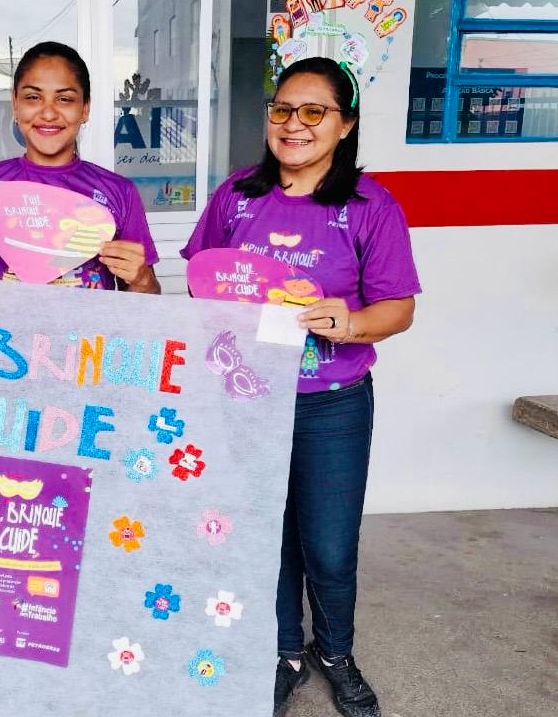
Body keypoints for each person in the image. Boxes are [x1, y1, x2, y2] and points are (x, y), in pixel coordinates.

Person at [180, 57, 420, 717]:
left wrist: (351, 322)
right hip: (246, 400)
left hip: (331, 404)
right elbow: (203, 282)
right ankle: (284, 650)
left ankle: (335, 653)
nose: (294, 124)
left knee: (330, 547)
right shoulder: (237, 195)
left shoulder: (369, 206)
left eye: (314, 111)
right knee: (267, 534)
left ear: (345, 124)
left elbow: (398, 308)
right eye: (283, 109)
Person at [0, 41, 160, 293]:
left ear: (85, 109)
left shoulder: (119, 191)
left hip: (90, 322)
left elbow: (147, 299)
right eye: (33, 97)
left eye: (64, 99)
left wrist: (142, 279)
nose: (48, 114)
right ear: (15, 104)